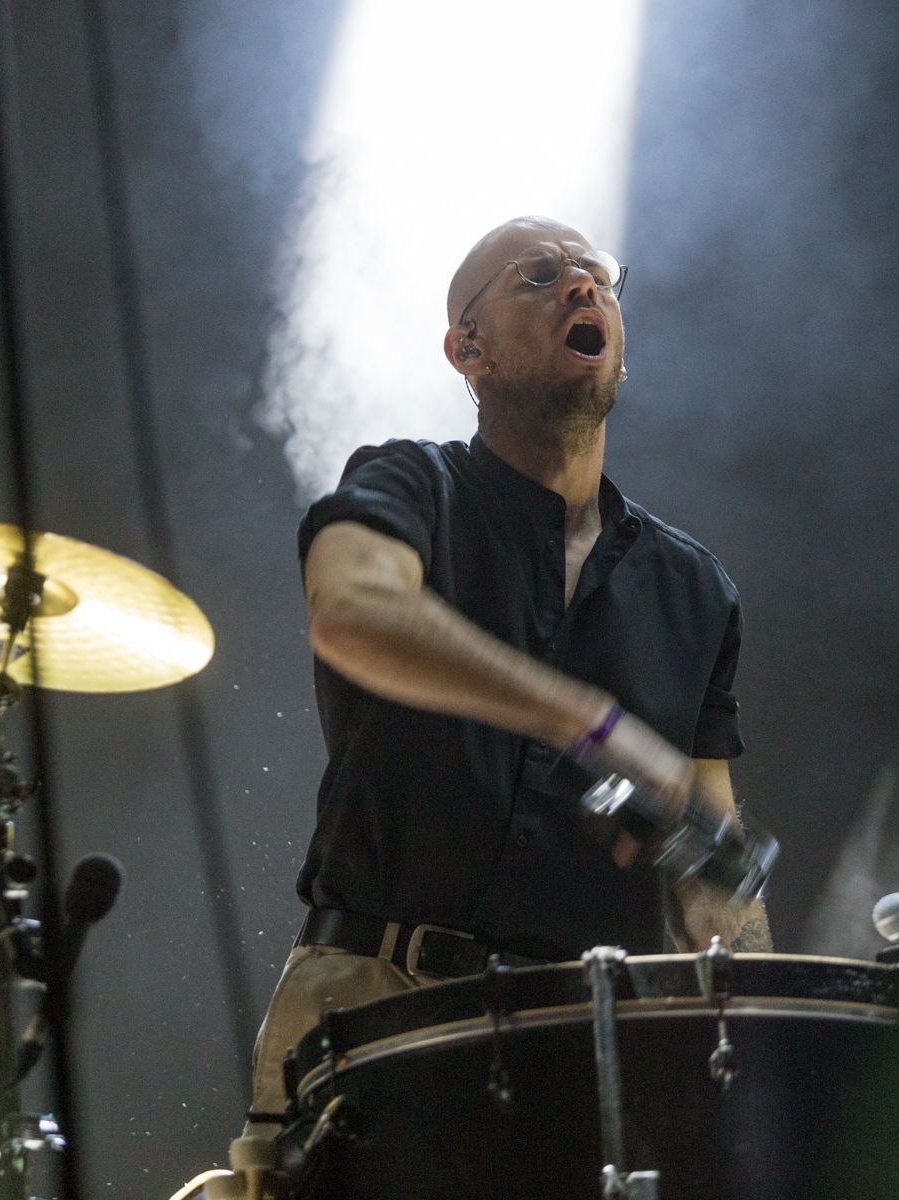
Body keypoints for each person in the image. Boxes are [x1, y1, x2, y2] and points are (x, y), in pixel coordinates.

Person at [246, 216, 771, 1125]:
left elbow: (711, 876)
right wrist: (585, 720)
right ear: (467, 350)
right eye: (538, 276)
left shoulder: (697, 590)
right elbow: (352, 611)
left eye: (597, 276)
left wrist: (768, 1051)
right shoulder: (412, 483)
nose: (580, 287)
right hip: (373, 1005)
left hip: (586, 1049)